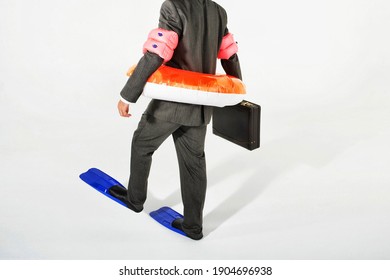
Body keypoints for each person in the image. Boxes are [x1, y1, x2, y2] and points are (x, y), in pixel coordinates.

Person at [109, 0, 242, 240]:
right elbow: (230, 56)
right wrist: (237, 94)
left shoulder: (173, 7)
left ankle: (134, 199)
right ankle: (193, 227)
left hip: (170, 105)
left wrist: (128, 95)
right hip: (201, 107)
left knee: (142, 145)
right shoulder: (218, 12)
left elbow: (156, 54)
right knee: (194, 164)